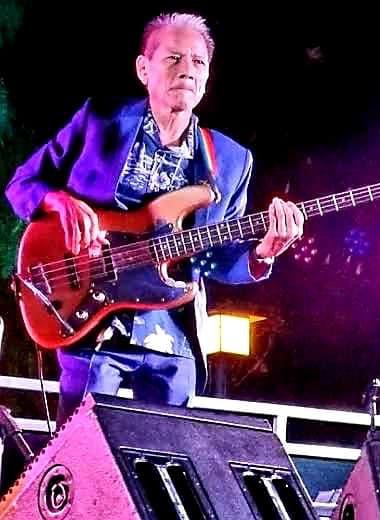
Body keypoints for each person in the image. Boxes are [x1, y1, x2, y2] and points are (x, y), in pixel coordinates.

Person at [4, 12, 304, 426]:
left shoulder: (232, 160)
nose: (187, 70)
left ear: (208, 75)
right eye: (173, 58)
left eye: (198, 61)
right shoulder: (100, 121)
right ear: (143, 69)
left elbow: (216, 260)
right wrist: (57, 201)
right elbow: (22, 183)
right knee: (81, 449)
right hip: (91, 319)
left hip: (172, 334)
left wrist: (263, 252)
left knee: (168, 453)